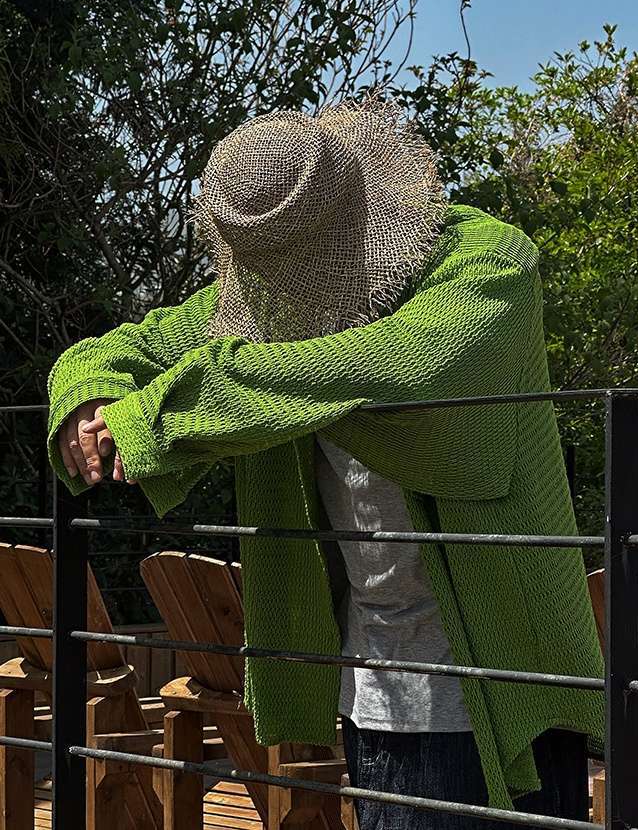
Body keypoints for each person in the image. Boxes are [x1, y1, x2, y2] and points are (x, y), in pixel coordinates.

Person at [48, 96, 604, 827]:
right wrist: (89, 399)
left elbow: (398, 364)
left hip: (509, 680)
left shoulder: (488, 260)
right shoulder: (269, 303)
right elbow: (111, 350)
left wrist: (165, 414)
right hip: (374, 689)